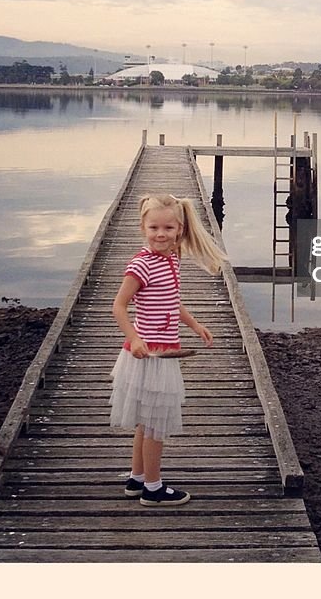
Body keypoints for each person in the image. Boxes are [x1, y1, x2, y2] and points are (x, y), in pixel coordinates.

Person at [109, 193, 226, 506]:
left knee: (146, 422)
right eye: (154, 228)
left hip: (164, 350)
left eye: (168, 228)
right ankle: (153, 487)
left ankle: (136, 479)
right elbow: (119, 307)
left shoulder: (171, 260)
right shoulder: (141, 265)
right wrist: (134, 338)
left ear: (180, 230)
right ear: (143, 228)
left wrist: (195, 325)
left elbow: (172, 302)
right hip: (149, 355)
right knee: (156, 424)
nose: (160, 234)